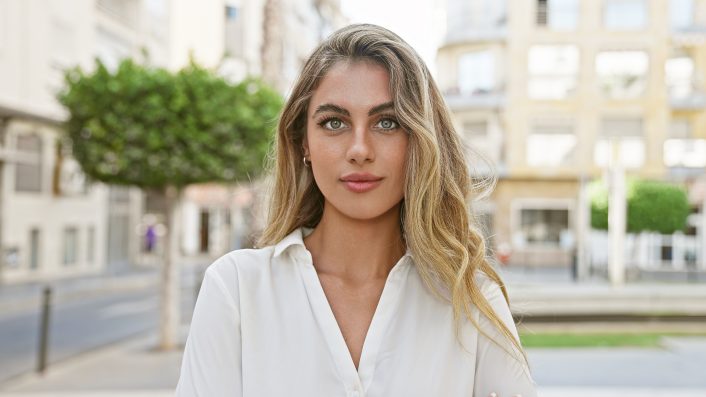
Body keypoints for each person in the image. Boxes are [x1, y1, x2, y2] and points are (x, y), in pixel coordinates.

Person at [176, 24, 537, 397]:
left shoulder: (471, 300)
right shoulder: (236, 289)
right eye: (334, 123)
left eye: (387, 122)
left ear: (419, 142)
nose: (360, 149)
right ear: (304, 143)